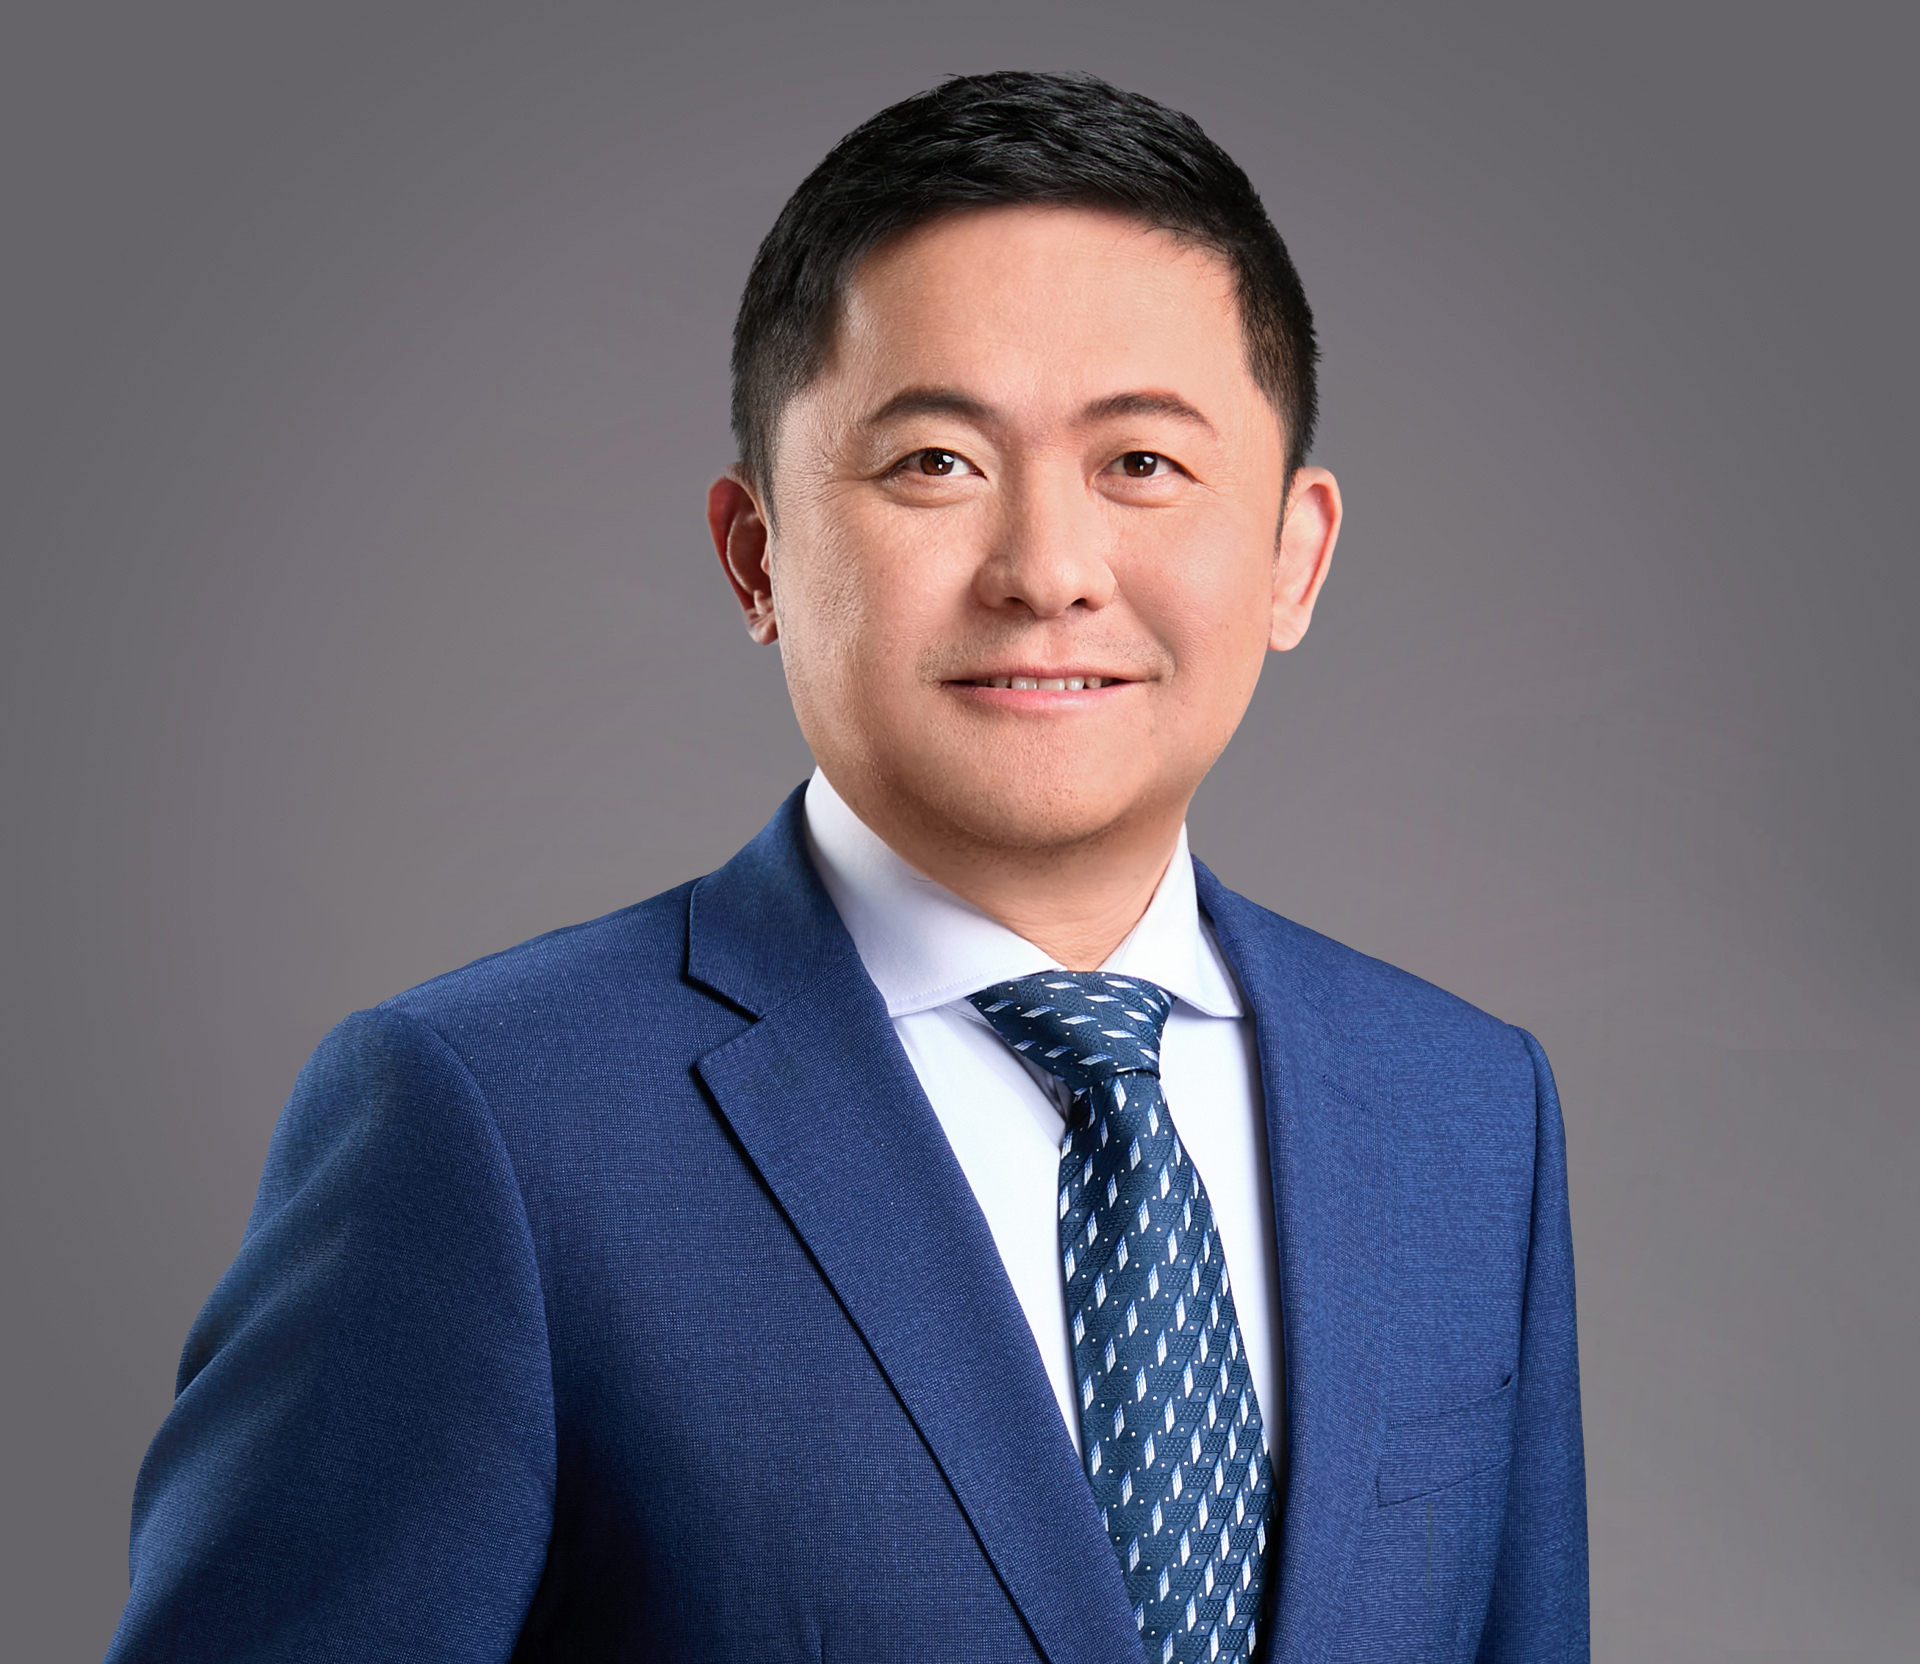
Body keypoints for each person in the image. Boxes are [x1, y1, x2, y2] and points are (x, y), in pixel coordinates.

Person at [106, 71, 1587, 1664]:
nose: (1046, 572)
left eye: (1144, 464)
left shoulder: (1465, 1112)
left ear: (1296, 553)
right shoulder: (487, 1124)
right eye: (935, 462)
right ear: (757, 555)